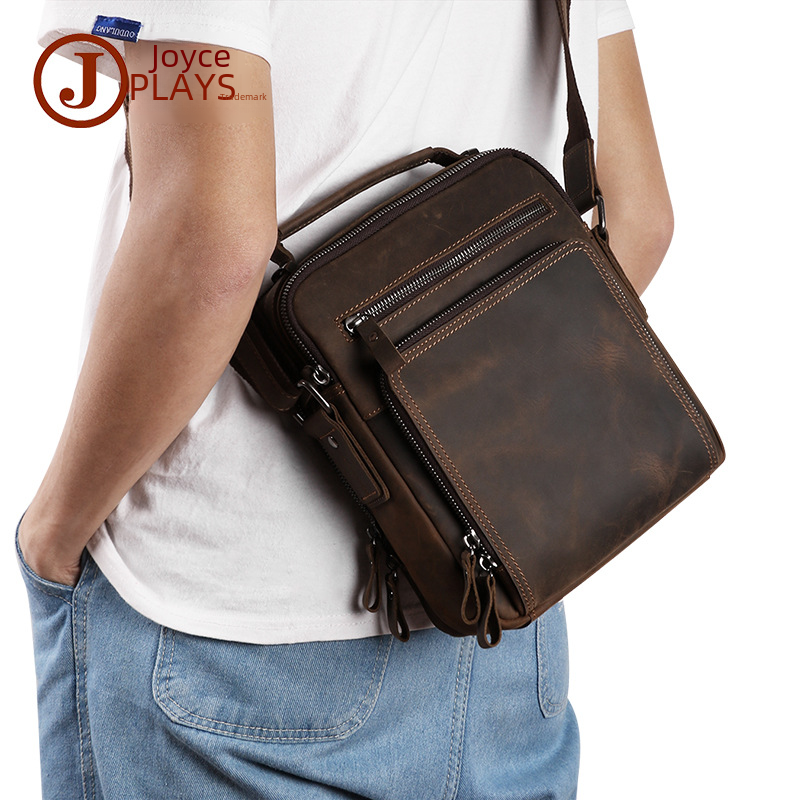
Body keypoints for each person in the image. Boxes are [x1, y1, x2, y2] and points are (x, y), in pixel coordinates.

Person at [18, 1, 671, 797]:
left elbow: (211, 255)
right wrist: (454, 476)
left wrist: (54, 530)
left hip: (227, 631)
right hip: (495, 611)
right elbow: (636, 217)